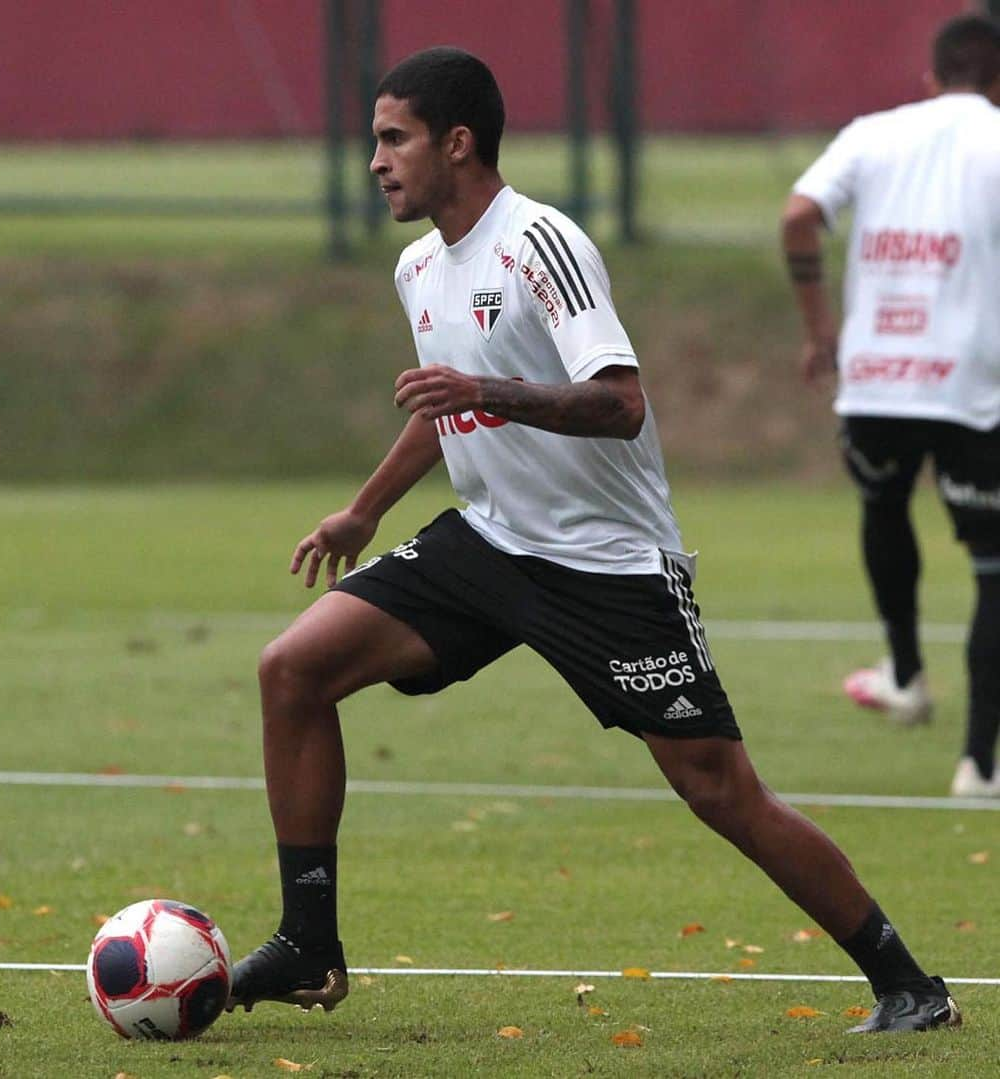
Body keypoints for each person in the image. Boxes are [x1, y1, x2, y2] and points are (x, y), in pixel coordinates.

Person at [227, 46, 960, 1034]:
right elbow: (444, 399)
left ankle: (908, 982)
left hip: (605, 564)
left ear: (458, 143)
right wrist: (366, 508)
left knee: (717, 786)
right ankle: (309, 939)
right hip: (488, 544)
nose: (375, 162)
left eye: (392, 138)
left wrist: (486, 392)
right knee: (292, 669)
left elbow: (618, 403)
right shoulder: (418, 265)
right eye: (372, 141)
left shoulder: (542, 243)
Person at [781, 14, 1000, 798]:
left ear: (932, 78)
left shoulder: (872, 133)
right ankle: (979, 764)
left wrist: (819, 331)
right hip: (976, 385)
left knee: (882, 504)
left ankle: (906, 674)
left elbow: (798, 215)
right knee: (991, 570)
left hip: (876, 375)